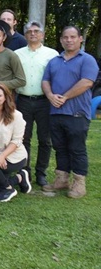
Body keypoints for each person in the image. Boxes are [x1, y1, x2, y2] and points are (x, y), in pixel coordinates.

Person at [41, 26, 99, 198]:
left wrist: (64, 97)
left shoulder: (87, 60)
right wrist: (50, 95)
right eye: (65, 37)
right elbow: (45, 81)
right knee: (60, 147)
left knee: (77, 149)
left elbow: (87, 82)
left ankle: (79, 184)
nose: (69, 40)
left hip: (76, 113)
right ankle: (61, 179)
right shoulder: (54, 61)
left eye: (73, 37)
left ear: (80, 39)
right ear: (61, 40)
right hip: (56, 112)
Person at [14, 21, 59, 186]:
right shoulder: (17, 54)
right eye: (29, 31)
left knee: (45, 139)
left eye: (36, 31)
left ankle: (41, 173)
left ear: (43, 34)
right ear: (25, 35)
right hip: (23, 100)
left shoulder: (52, 54)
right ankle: (25, 171)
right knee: (23, 138)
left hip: (44, 101)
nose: (33, 34)